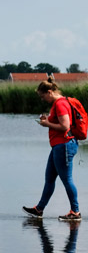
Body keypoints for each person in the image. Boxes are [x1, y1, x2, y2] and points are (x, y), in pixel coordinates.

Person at [22, 77, 80, 220]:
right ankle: (39, 209)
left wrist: (46, 124)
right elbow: (60, 121)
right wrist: (47, 119)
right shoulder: (59, 103)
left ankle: (75, 212)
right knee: (49, 179)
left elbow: (65, 126)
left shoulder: (60, 104)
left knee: (67, 179)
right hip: (57, 146)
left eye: (43, 96)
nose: (42, 99)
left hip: (64, 145)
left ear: (49, 92)